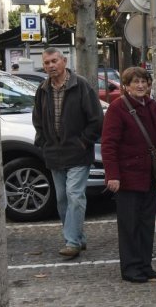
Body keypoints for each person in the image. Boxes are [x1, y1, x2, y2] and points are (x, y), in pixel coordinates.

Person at [32, 47, 103, 259]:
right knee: (62, 199)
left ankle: (71, 242)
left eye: (54, 61)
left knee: (75, 195)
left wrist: (83, 142)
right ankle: (78, 238)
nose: (51, 66)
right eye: (47, 63)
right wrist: (43, 141)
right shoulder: (42, 89)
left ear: (64, 61)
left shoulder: (80, 85)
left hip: (78, 153)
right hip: (54, 153)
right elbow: (37, 119)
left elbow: (97, 118)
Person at [101, 67, 156, 283]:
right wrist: (112, 175)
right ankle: (130, 268)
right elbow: (109, 144)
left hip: (149, 176)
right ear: (126, 86)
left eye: (144, 81)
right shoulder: (117, 108)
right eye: (135, 82)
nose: (140, 86)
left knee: (146, 223)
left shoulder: (152, 105)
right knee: (129, 225)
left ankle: (145, 264)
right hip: (127, 176)